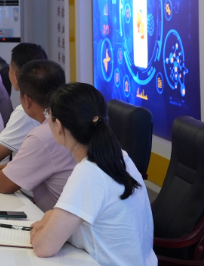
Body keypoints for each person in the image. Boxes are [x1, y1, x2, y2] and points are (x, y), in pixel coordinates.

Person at [30, 83, 157, 266]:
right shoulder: (120, 157)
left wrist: (45, 225)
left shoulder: (89, 172)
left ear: (59, 126)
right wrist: (51, 217)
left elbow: (44, 247)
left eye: (48, 114)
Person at [0, 60, 76, 211]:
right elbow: (29, 164)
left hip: (63, 221)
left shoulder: (44, 135)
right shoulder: (71, 119)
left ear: (27, 100)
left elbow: (5, 184)